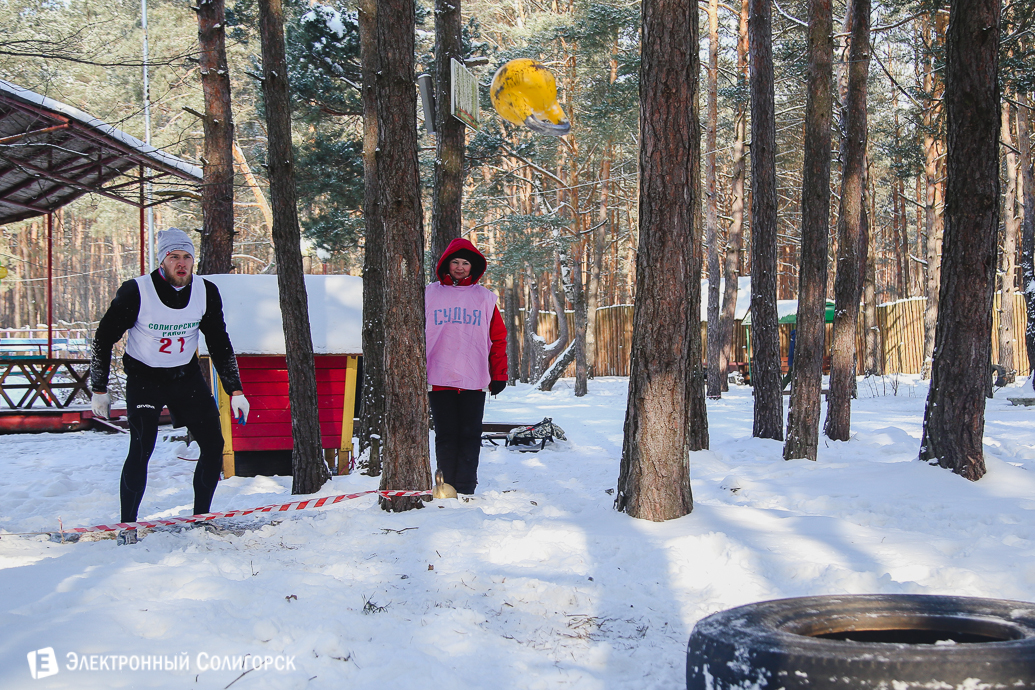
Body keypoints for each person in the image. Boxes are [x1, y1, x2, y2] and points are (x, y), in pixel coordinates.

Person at [90, 227, 249, 526]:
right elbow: (103, 337)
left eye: (187, 256)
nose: (182, 263)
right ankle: (128, 525)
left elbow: (219, 342)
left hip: (184, 377)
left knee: (214, 445)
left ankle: (201, 519)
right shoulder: (136, 291)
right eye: (174, 256)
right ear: (162, 260)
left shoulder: (206, 291)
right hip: (145, 379)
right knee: (142, 448)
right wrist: (99, 387)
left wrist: (235, 390)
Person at [425, 238, 508, 495]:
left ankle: (467, 487)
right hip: (439, 376)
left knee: (470, 436)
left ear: (474, 268)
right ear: (446, 265)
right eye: (455, 262)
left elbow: (498, 338)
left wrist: (499, 374)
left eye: (465, 263)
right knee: (446, 435)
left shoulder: (484, 299)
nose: (460, 267)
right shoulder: (429, 294)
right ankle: (446, 486)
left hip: (474, 378)